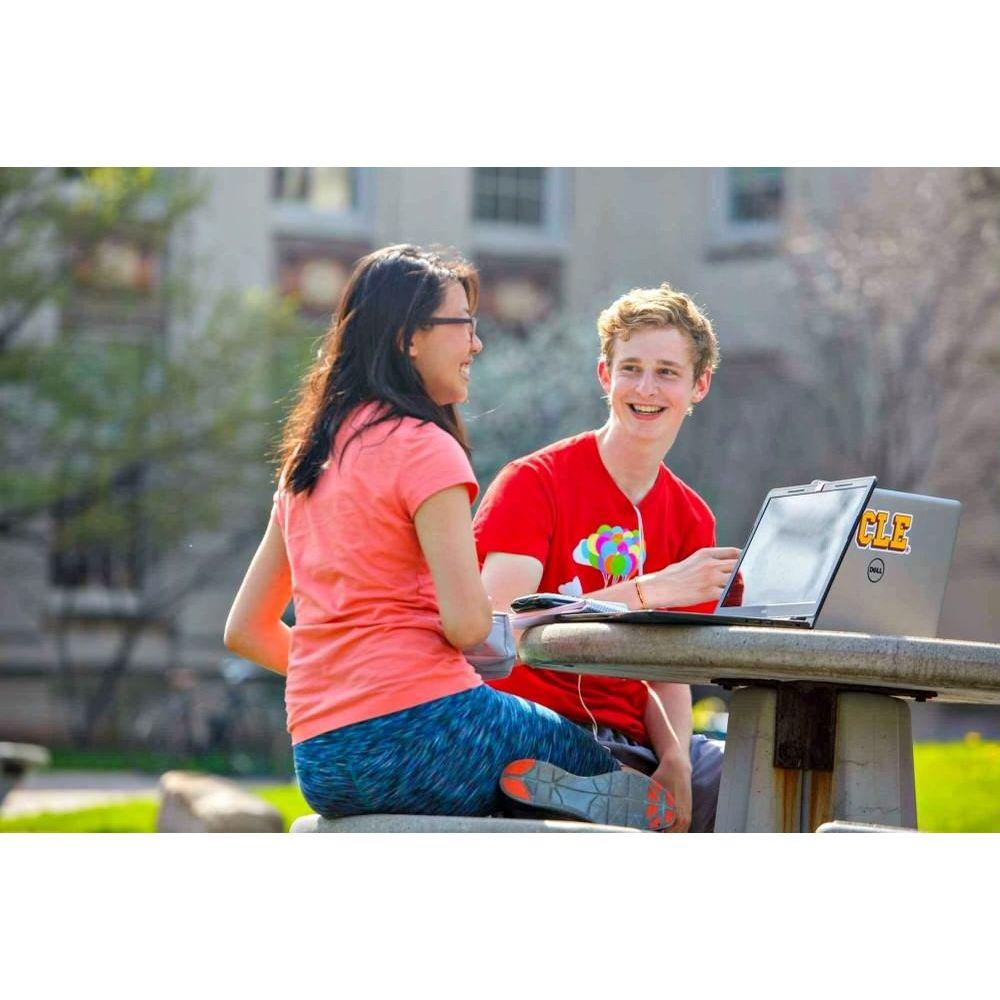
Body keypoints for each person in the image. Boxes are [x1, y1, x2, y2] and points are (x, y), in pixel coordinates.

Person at [222, 245, 675, 829]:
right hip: (432, 730)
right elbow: (466, 626)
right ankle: (564, 795)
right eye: (464, 326)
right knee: (609, 772)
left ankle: (521, 793)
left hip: (324, 760)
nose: (476, 345)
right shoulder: (424, 447)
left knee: (523, 786)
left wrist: (344, 684)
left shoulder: (309, 457)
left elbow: (245, 630)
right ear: (411, 337)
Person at [474, 282, 739, 832]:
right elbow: (501, 629)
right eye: (631, 368)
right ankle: (591, 787)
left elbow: (668, 671)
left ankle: (619, 787)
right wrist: (650, 590)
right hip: (531, 724)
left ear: (700, 386)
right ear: (605, 376)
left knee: (752, 773)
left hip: (634, 739)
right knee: (581, 778)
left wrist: (677, 761)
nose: (647, 388)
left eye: (667, 372)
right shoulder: (531, 483)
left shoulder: (691, 517)